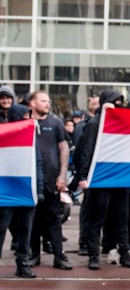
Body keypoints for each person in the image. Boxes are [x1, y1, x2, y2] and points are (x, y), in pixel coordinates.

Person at [75, 90, 130, 270]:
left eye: (120, 102)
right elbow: (86, 151)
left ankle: (124, 252)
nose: (117, 106)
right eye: (113, 102)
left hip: (119, 178)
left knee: (122, 217)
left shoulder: (121, 124)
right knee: (97, 217)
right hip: (100, 178)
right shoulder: (95, 124)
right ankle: (94, 255)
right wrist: (83, 177)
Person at [27, 91, 73, 271]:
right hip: (30, 180)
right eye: (43, 100)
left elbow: (64, 149)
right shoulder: (25, 123)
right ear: (32, 103)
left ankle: (59, 256)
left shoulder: (56, 123)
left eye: (48, 101)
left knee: (53, 219)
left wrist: (62, 176)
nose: (47, 104)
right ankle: (34, 255)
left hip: (51, 180)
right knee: (33, 219)